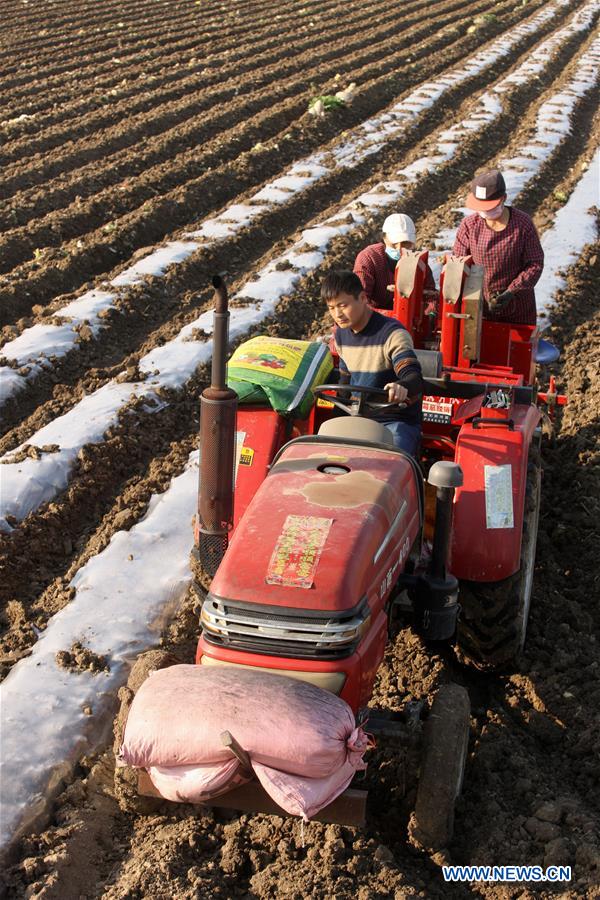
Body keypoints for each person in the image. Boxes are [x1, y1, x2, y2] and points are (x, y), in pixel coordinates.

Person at [321, 270, 423, 455]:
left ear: (362, 298)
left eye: (343, 305)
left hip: (393, 419)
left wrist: (401, 386)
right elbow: (345, 381)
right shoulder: (341, 335)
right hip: (358, 416)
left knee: (392, 462)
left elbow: (413, 376)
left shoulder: (392, 334)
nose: (338, 314)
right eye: (331, 307)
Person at [452, 170, 544, 324]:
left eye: (490, 206)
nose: (486, 212)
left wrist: (510, 292)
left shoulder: (522, 225)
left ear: (504, 198)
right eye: (482, 207)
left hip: (517, 306)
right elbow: (458, 263)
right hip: (479, 307)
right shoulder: (469, 226)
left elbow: (535, 264)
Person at [353, 212, 437, 310]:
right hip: (373, 316)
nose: (399, 248)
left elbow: (431, 295)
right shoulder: (369, 258)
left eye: (405, 244)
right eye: (394, 244)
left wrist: (430, 306)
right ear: (384, 238)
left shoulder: (418, 262)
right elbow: (359, 298)